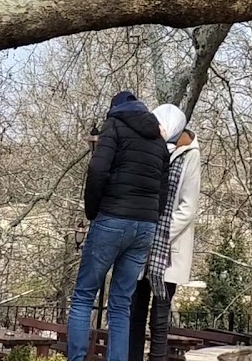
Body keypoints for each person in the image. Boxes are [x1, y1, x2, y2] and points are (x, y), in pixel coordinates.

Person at [67, 91, 170, 361]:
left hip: (112, 218)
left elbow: (97, 170)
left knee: (83, 297)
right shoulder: (159, 138)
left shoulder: (114, 127)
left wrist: (92, 211)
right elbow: (163, 187)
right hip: (144, 227)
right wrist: (152, 217)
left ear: (116, 109)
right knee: (121, 304)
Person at [128, 104, 202, 361]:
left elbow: (187, 207)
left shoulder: (191, 155)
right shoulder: (156, 147)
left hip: (168, 248)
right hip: (143, 240)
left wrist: (160, 235)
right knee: (135, 311)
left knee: (160, 316)